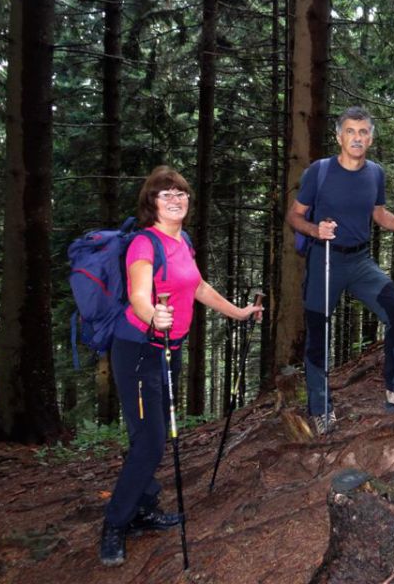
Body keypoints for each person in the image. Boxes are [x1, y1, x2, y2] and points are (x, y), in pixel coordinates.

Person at [99, 165, 263, 567]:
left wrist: (238, 313)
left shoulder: (182, 240)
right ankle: (115, 525)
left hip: (167, 351)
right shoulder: (144, 243)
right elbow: (139, 293)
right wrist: (153, 313)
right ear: (151, 203)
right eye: (165, 194)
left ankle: (142, 506)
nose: (175, 199)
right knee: (150, 441)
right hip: (138, 350)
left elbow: (199, 286)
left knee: (151, 438)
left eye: (181, 193)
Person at [287, 107, 394, 436]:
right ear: (339, 137)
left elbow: (378, 214)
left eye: (363, 132)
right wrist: (314, 230)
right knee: (318, 335)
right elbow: (295, 215)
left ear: (371, 138)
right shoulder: (319, 172)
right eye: (351, 131)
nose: (357, 138)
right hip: (325, 260)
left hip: (361, 261)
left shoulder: (375, 173)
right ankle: (321, 409)